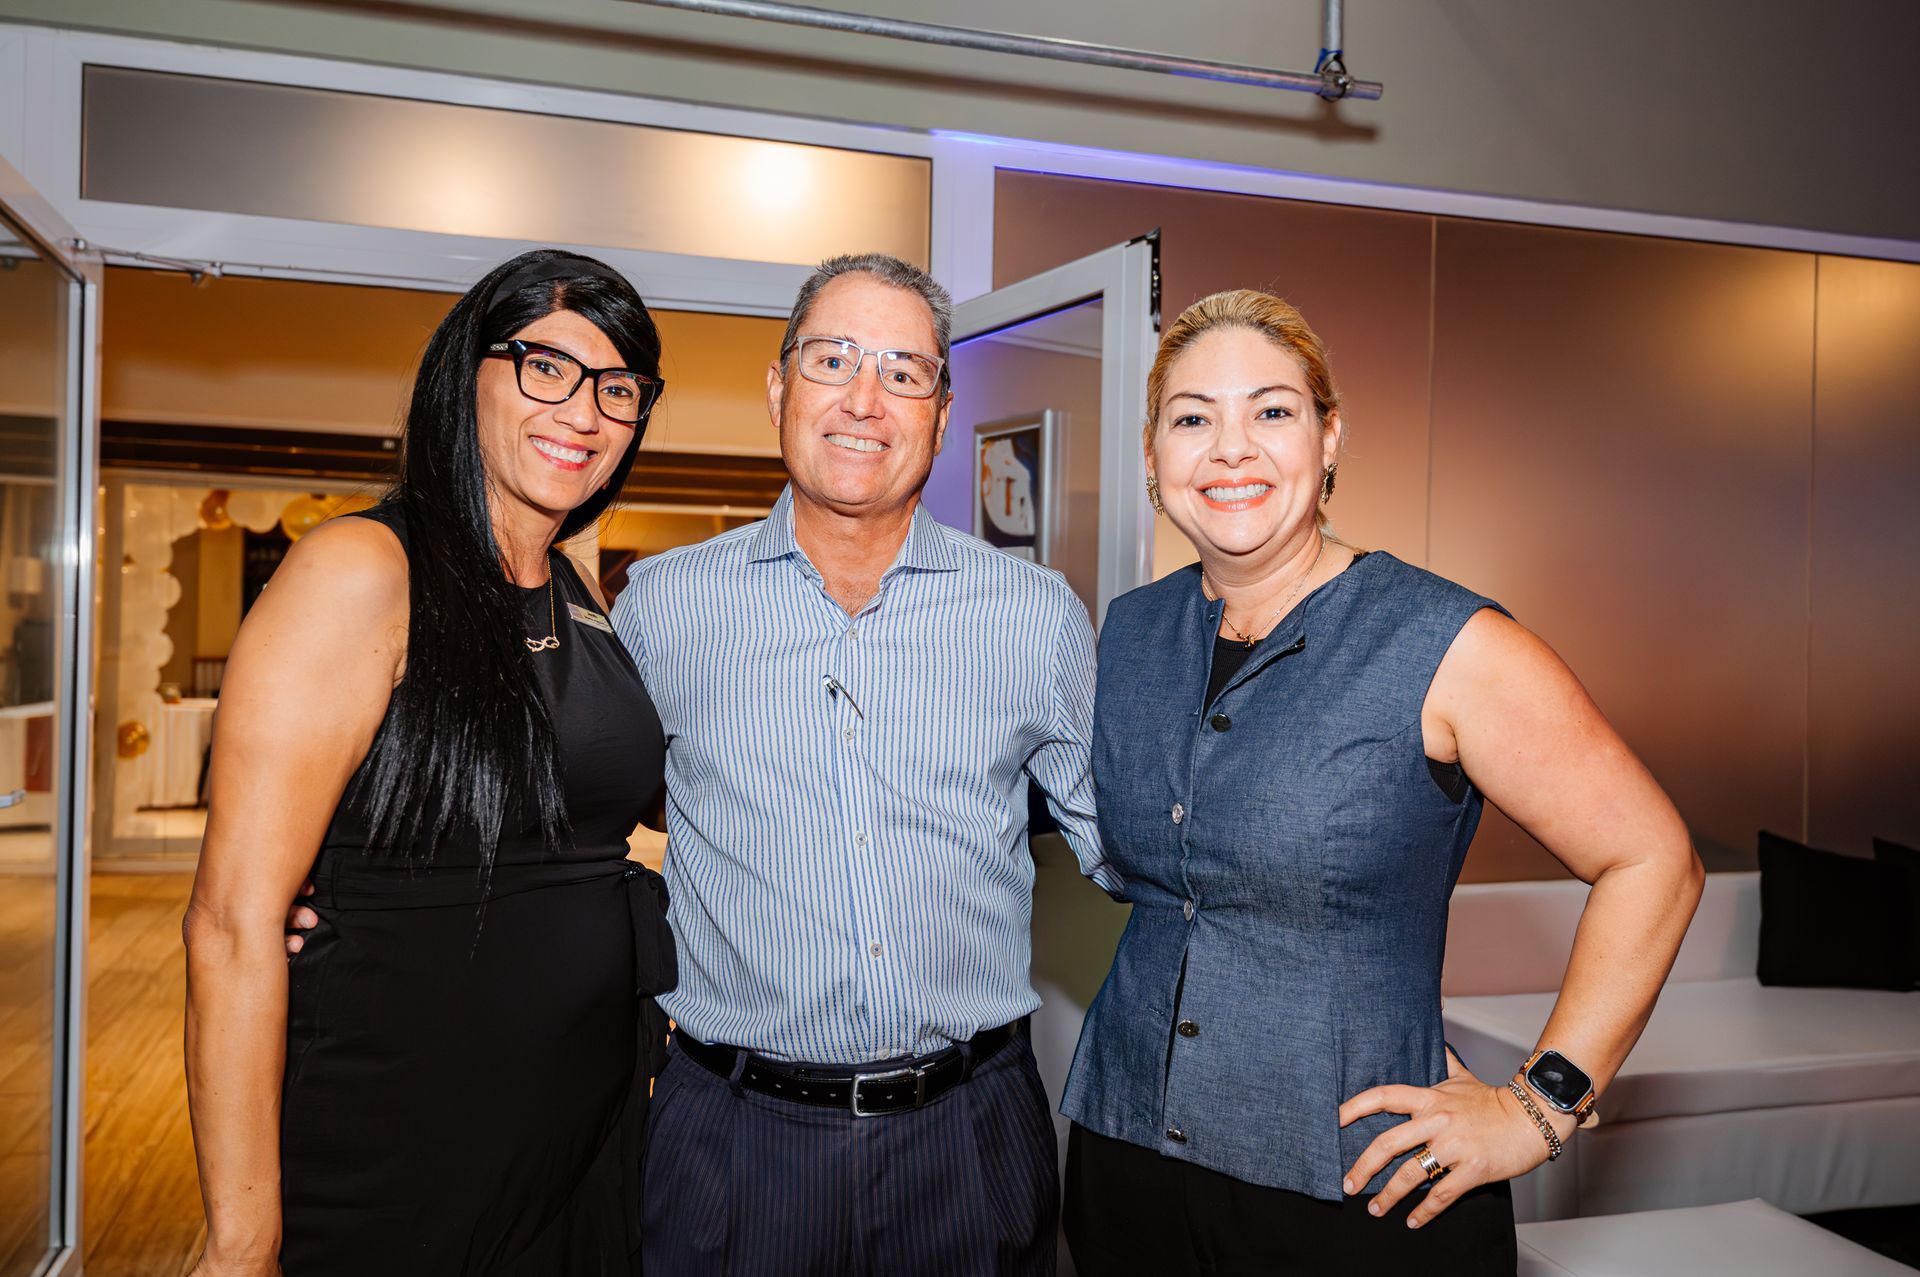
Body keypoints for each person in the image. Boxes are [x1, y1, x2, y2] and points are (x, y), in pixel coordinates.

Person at [1060, 290, 1703, 1274]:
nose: (1232, 448)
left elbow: (1652, 857)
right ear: (1152, 456)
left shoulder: (1447, 642)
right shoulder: (1131, 631)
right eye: (1193, 417)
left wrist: (1538, 1105)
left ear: (1329, 439)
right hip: (1127, 1159)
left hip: (1360, 1190)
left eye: (1272, 411)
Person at [609, 253, 1118, 1277]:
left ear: (939, 412)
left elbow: (1132, 847)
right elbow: (560, 830)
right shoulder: (660, 608)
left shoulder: (1034, 616)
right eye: (832, 358)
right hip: (734, 1138)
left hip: (968, 1138)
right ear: (777, 385)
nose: (863, 399)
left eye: (903, 370)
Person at [183, 249, 676, 1277]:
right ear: (468, 375)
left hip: (577, 1142)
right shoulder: (364, 567)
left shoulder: (572, 588)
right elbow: (232, 920)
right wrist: (243, 1242)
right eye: (548, 366)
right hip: (401, 1145)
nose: (584, 410)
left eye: (618, 387)